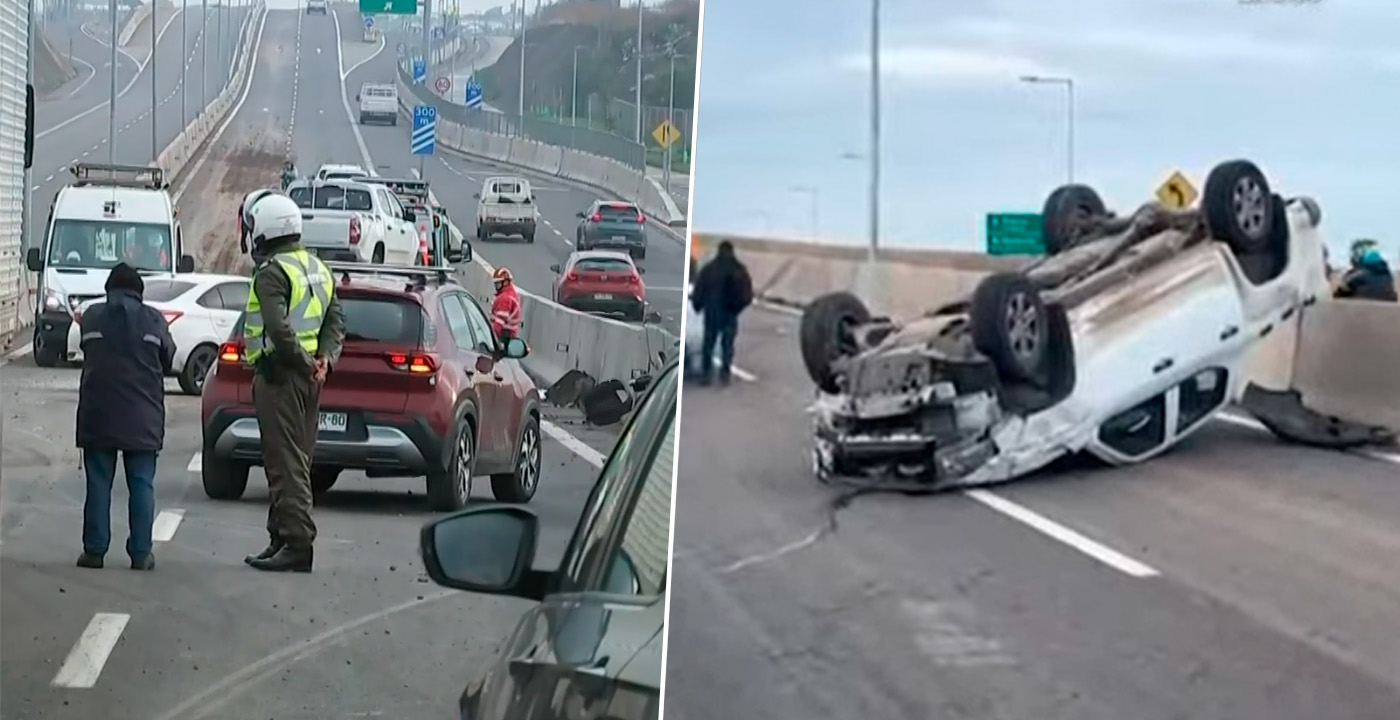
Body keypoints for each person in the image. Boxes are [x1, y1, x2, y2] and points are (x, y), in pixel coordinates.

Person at [237, 189, 346, 573]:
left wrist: (304, 363)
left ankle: (297, 542)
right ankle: (280, 536)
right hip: (309, 379)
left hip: (281, 377)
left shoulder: (272, 273)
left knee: (285, 463)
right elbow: (335, 322)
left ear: (265, 228)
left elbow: (278, 329)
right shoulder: (317, 267)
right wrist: (324, 362)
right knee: (294, 458)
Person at [75, 263, 175, 570]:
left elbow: (86, 347)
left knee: (98, 483)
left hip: (98, 415)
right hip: (143, 417)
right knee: (142, 483)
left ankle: (94, 551)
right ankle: (141, 554)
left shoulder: (92, 317)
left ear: (109, 290)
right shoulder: (154, 320)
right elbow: (168, 358)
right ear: (139, 293)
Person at [689, 240, 754, 385]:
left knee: (708, 344)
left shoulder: (709, 269)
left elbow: (699, 289)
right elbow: (747, 294)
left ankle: (706, 374)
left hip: (712, 313)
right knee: (728, 345)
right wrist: (737, 308)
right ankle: (725, 374)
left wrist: (697, 305)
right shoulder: (739, 269)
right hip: (730, 313)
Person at [490, 266, 522, 344]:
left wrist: (489, 337)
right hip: (510, 335)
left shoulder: (504, 298)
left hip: (503, 336)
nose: (496, 286)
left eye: (498, 283)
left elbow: (499, 323)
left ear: (505, 282)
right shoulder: (513, 295)